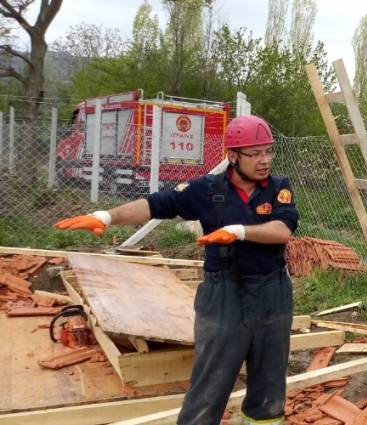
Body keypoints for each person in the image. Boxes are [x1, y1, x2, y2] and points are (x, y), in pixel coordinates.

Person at [54, 115, 299, 425]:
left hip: (273, 295)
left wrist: (237, 231)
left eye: (268, 151)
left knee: (269, 388)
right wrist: (105, 216)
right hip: (224, 296)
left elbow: (282, 230)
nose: (265, 160)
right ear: (232, 156)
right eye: (255, 153)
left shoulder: (278, 187)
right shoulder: (206, 190)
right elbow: (157, 204)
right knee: (210, 386)